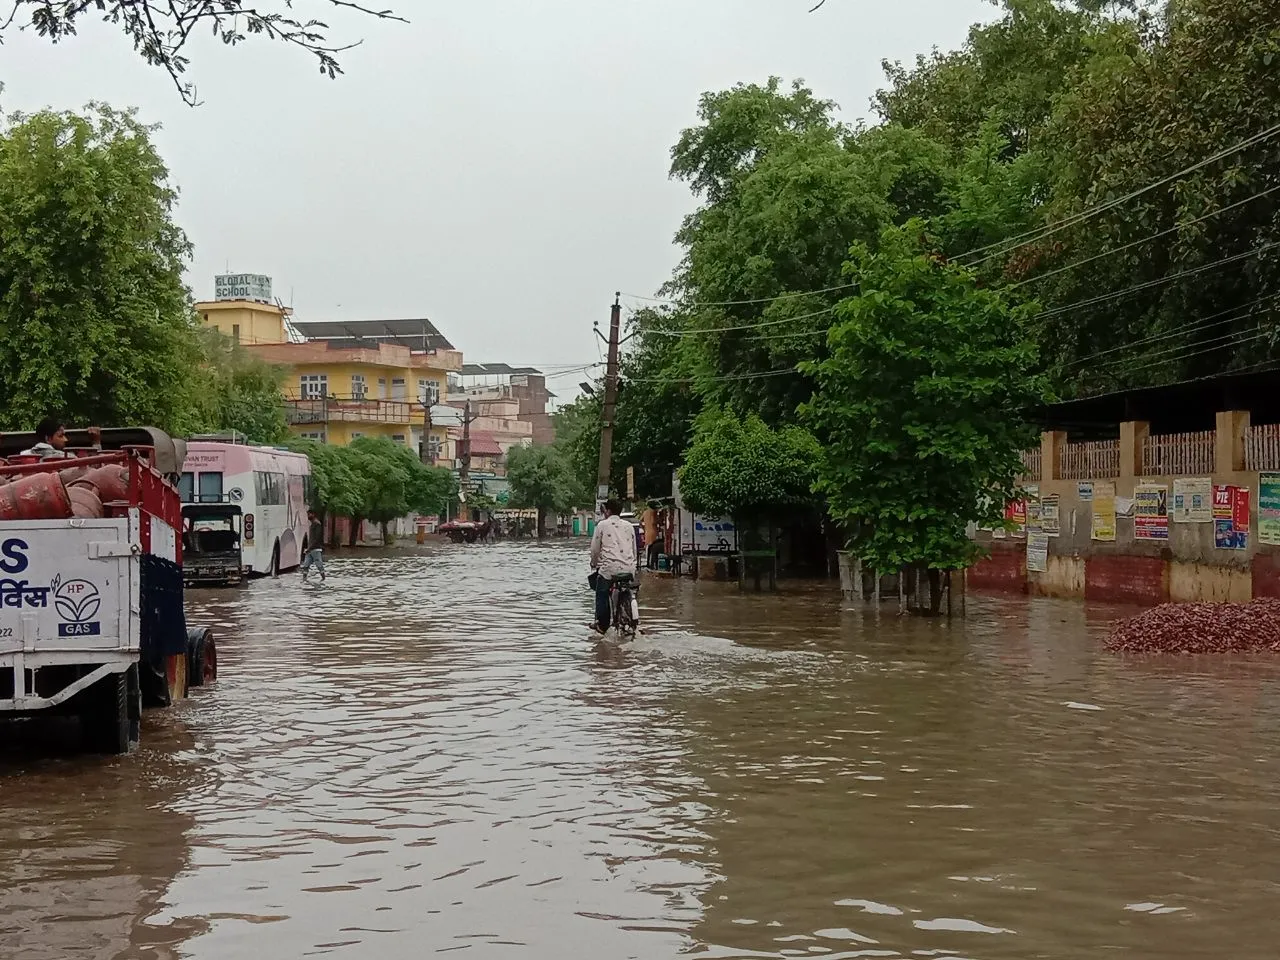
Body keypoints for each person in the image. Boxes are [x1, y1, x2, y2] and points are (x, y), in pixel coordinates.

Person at [589, 498, 637, 633]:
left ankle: (602, 624)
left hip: (609, 569)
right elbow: (634, 550)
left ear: (607, 511)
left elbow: (595, 550)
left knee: (601, 591)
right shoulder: (629, 526)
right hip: (629, 568)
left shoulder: (602, 525)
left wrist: (594, 563)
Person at [301, 511, 327, 582]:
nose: (308, 516)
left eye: (309, 514)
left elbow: (317, 538)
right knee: (306, 564)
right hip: (310, 549)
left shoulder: (317, 523)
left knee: (319, 564)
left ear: (313, 514)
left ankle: (323, 579)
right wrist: (308, 548)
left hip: (315, 549)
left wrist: (310, 548)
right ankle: (304, 580)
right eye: (307, 514)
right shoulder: (312, 524)